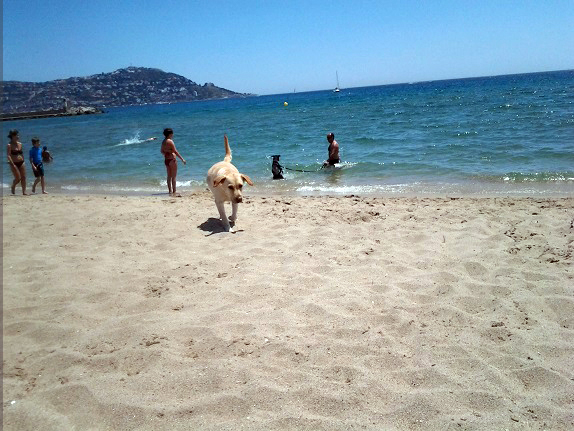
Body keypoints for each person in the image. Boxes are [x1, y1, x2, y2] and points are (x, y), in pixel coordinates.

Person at [160, 128, 186, 195]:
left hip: (166, 160)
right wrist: (182, 159)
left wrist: (166, 153)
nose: (173, 135)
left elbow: (162, 151)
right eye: (172, 133)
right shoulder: (170, 141)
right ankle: (174, 191)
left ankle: (170, 191)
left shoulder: (163, 141)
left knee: (169, 176)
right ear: (170, 134)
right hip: (172, 160)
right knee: (174, 176)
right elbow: (175, 151)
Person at [6, 129, 28, 195]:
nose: (18, 136)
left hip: (21, 162)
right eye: (16, 135)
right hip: (14, 163)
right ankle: (13, 186)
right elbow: (8, 155)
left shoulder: (20, 144)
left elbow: (21, 153)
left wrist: (23, 160)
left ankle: (24, 192)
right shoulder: (9, 145)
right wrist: (12, 164)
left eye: (18, 135)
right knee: (18, 179)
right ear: (12, 136)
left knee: (23, 177)